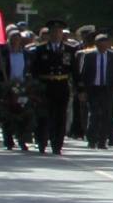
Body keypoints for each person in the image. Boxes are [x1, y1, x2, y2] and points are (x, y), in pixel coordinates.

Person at [27, 19, 79, 154]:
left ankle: (57, 144)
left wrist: (79, 87)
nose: (56, 34)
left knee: (60, 116)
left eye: (59, 32)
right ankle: (41, 141)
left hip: (62, 86)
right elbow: (33, 70)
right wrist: (34, 87)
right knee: (44, 116)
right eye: (54, 32)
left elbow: (75, 71)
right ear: (49, 34)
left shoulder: (70, 50)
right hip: (45, 86)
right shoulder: (40, 49)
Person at [78, 31, 113, 149]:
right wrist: (82, 90)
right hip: (93, 88)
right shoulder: (89, 56)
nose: (103, 47)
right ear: (96, 44)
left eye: (105, 44)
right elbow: (83, 73)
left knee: (106, 115)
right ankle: (92, 139)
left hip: (108, 89)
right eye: (100, 44)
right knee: (93, 114)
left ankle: (102, 141)